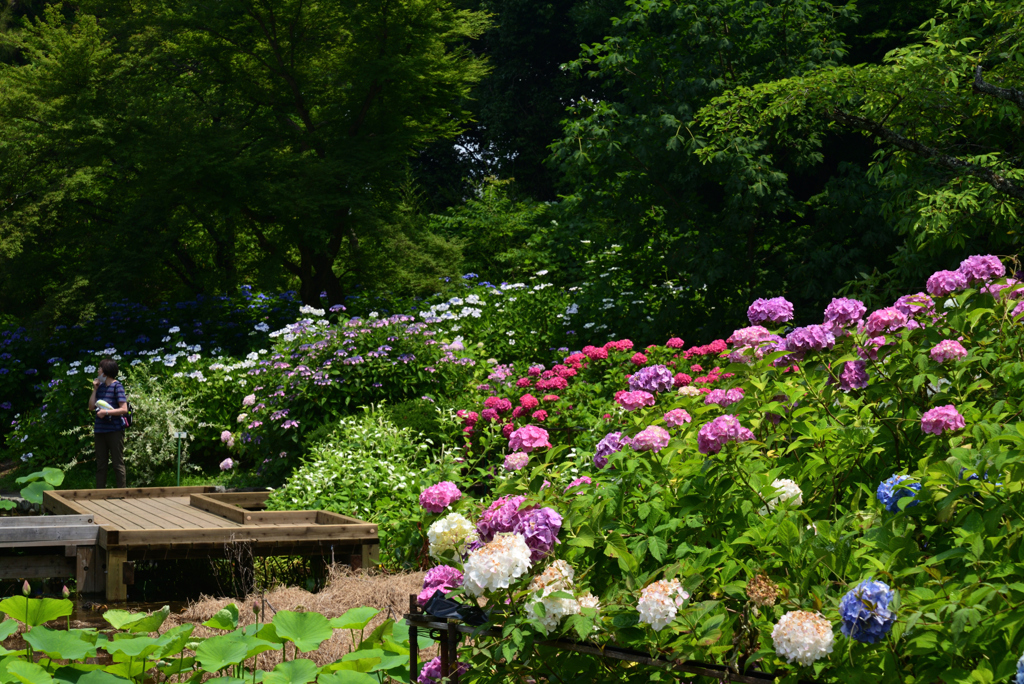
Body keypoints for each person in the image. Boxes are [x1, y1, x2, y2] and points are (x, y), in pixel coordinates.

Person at [88, 358, 129, 488]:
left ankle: (121, 492)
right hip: (100, 430)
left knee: (117, 462)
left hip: (115, 430)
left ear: (105, 372)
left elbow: (124, 409)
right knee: (101, 464)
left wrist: (106, 413)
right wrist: (94, 390)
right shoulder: (99, 388)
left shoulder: (117, 386)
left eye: (99, 369)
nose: (97, 371)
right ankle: (100, 492)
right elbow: (90, 407)